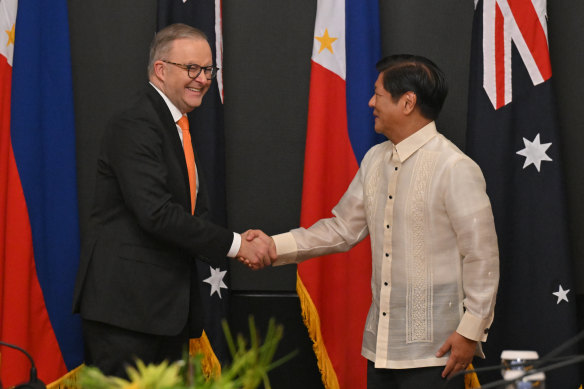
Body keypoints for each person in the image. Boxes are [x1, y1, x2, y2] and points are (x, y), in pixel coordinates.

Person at [256, 54, 499, 388]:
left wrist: (470, 332)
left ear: (408, 102)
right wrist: (272, 246)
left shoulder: (454, 167)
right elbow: (342, 228)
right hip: (380, 349)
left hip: (437, 353)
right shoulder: (374, 159)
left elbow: (482, 256)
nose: (370, 102)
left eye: (378, 94)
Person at [72, 23, 274, 377]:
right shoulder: (136, 122)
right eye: (192, 68)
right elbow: (157, 214)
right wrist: (238, 244)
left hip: (163, 313)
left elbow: (192, 212)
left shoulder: (174, 124)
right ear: (160, 70)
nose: (203, 79)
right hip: (127, 314)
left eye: (209, 69)